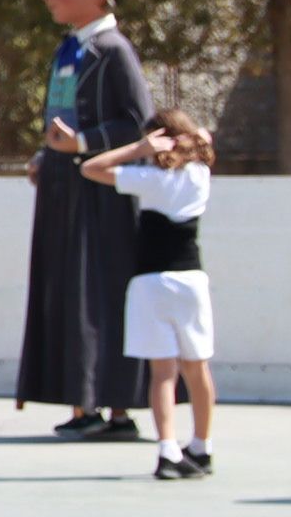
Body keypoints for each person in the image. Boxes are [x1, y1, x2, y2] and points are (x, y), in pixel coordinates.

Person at [19, 0, 154, 440]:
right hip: (62, 189)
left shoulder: (113, 50)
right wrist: (46, 153)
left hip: (100, 197)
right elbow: (63, 114)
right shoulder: (69, 49)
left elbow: (140, 124)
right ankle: (82, 404)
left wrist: (81, 145)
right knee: (68, 295)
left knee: (98, 294)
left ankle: (114, 409)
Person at [85, 109, 217, 481]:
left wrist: (136, 148)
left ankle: (168, 449)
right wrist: (194, 138)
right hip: (191, 279)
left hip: (151, 282)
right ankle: (202, 447)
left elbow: (91, 168)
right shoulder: (200, 175)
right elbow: (204, 143)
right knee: (197, 365)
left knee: (163, 372)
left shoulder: (148, 178)